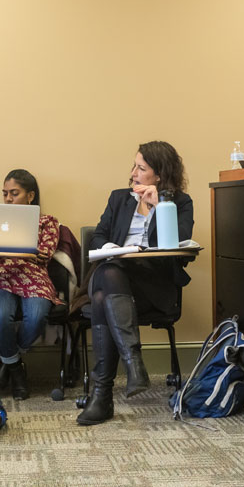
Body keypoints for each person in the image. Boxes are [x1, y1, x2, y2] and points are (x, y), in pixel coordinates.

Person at [76, 140, 194, 426]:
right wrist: (113, 249)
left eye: (141, 168)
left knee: (103, 295)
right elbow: (99, 236)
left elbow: (175, 245)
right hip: (114, 276)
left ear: (160, 175)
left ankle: (102, 397)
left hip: (152, 288)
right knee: (110, 272)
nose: (133, 174)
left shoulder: (179, 203)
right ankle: (133, 363)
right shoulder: (119, 198)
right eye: (134, 166)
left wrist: (159, 207)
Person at [0, 169, 60, 401]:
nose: (7, 199)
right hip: (1, 276)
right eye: (5, 194)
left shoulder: (47, 222)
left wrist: (17, 247)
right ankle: (16, 368)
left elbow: (44, 253)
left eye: (14, 193)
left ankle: (7, 364)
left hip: (34, 276)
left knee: (36, 317)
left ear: (30, 196)